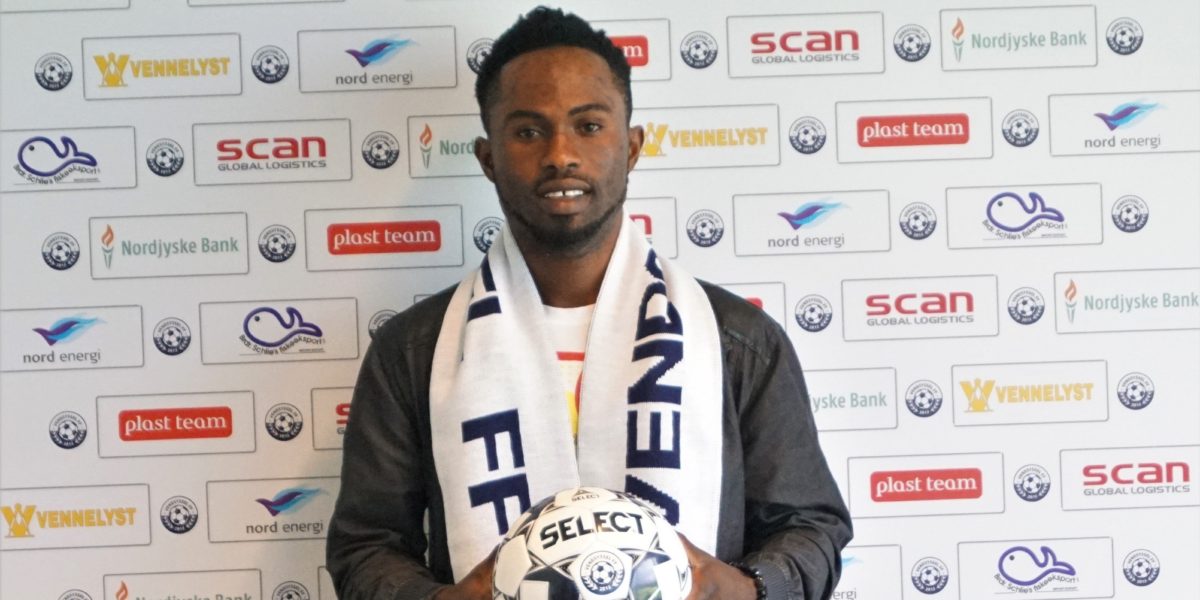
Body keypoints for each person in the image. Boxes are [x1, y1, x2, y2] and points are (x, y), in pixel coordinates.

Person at [326, 7, 851, 600]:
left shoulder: (737, 340)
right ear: (488, 158)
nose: (560, 154)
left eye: (589, 125)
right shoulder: (416, 351)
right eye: (529, 132)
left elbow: (810, 526)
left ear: (631, 147)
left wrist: (746, 588)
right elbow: (365, 545)